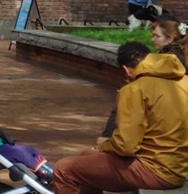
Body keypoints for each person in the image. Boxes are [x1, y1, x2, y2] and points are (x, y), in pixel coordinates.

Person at [53, 41, 188, 194]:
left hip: (155, 170)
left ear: (125, 69)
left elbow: (126, 146)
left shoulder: (135, 89)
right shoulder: (184, 82)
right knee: (88, 156)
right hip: (179, 167)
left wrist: (105, 144)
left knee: (63, 169)